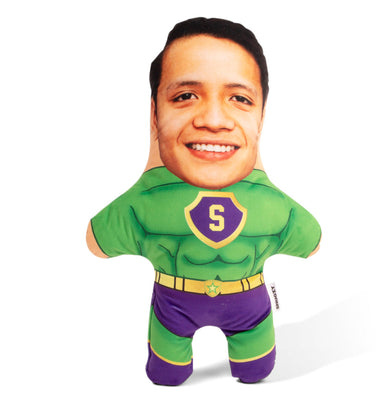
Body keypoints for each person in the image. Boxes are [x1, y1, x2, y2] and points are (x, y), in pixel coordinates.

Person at [86, 17, 321, 385]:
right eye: (185, 96)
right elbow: (96, 243)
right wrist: (152, 169)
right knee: (166, 374)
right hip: (173, 309)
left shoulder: (272, 203)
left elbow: (312, 242)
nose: (213, 120)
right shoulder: (145, 200)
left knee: (256, 369)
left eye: (240, 99)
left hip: (249, 309)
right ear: (155, 113)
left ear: (261, 117)